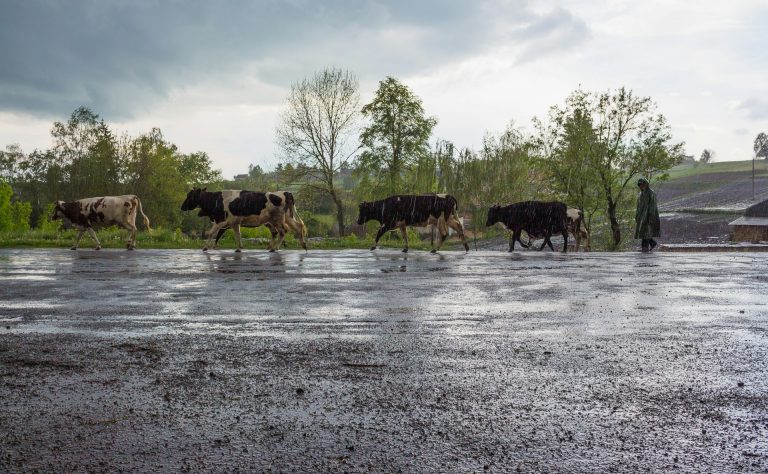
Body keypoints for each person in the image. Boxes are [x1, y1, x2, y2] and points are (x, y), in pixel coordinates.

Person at [635, 177, 660, 252]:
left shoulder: (651, 193)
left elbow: (653, 205)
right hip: (642, 216)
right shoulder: (640, 194)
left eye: (642, 184)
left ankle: (645, 248)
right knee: (644, 231)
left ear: (646, 184)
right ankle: (652, 243)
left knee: (646, 231)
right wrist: (637, 215)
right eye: (639, 184)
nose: (640, 186)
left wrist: (651, 216)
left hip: (649, 215)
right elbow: (638, 206)